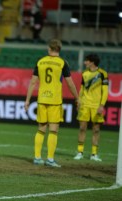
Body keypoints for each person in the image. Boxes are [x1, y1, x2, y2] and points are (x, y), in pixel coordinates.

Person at [24, 39, 79, 168]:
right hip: (55, 101)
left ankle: (37, 158)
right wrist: (77, 97)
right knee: (53, 130)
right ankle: (50, 159)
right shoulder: (62, 63)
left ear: (49, 49)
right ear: (59, 49)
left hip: (42, 99)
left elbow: (32, 82)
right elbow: (70, 83)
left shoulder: (40, 61)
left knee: (41, 129)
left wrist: (27, 100)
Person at [73, 54, 108, 162]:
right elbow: (82, 89)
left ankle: (94, 154)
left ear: (92, 62)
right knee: (82, 128)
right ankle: (80, 152)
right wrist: (78, 101)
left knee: (96, 129)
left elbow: (105, 91)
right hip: (85, 104)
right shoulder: (85, 73)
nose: (84, 63)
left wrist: (102, 105)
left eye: (86, 61)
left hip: (96, 106)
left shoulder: (102, 74)